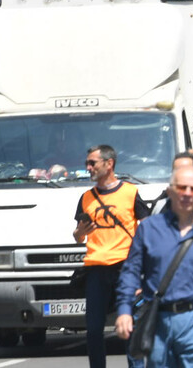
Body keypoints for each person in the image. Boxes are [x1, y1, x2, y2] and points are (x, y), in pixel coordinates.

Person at [115, 166, 193, 367]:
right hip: (158, 321)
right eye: (182, 187)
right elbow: (130, 272)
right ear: (170, 191)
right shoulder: (149, 229)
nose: (187, 194)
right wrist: (123, 310)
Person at [73, 144, 149, 368]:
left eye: (92, 163)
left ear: (109, 164)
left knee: (130, 326)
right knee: (94, 330)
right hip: (96, 269)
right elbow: (78, 236)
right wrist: (80, 232)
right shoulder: (86, 197)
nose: (88, 167)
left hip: (125, 267)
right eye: (87, 163)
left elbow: (146, 233)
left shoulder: (130, 193)